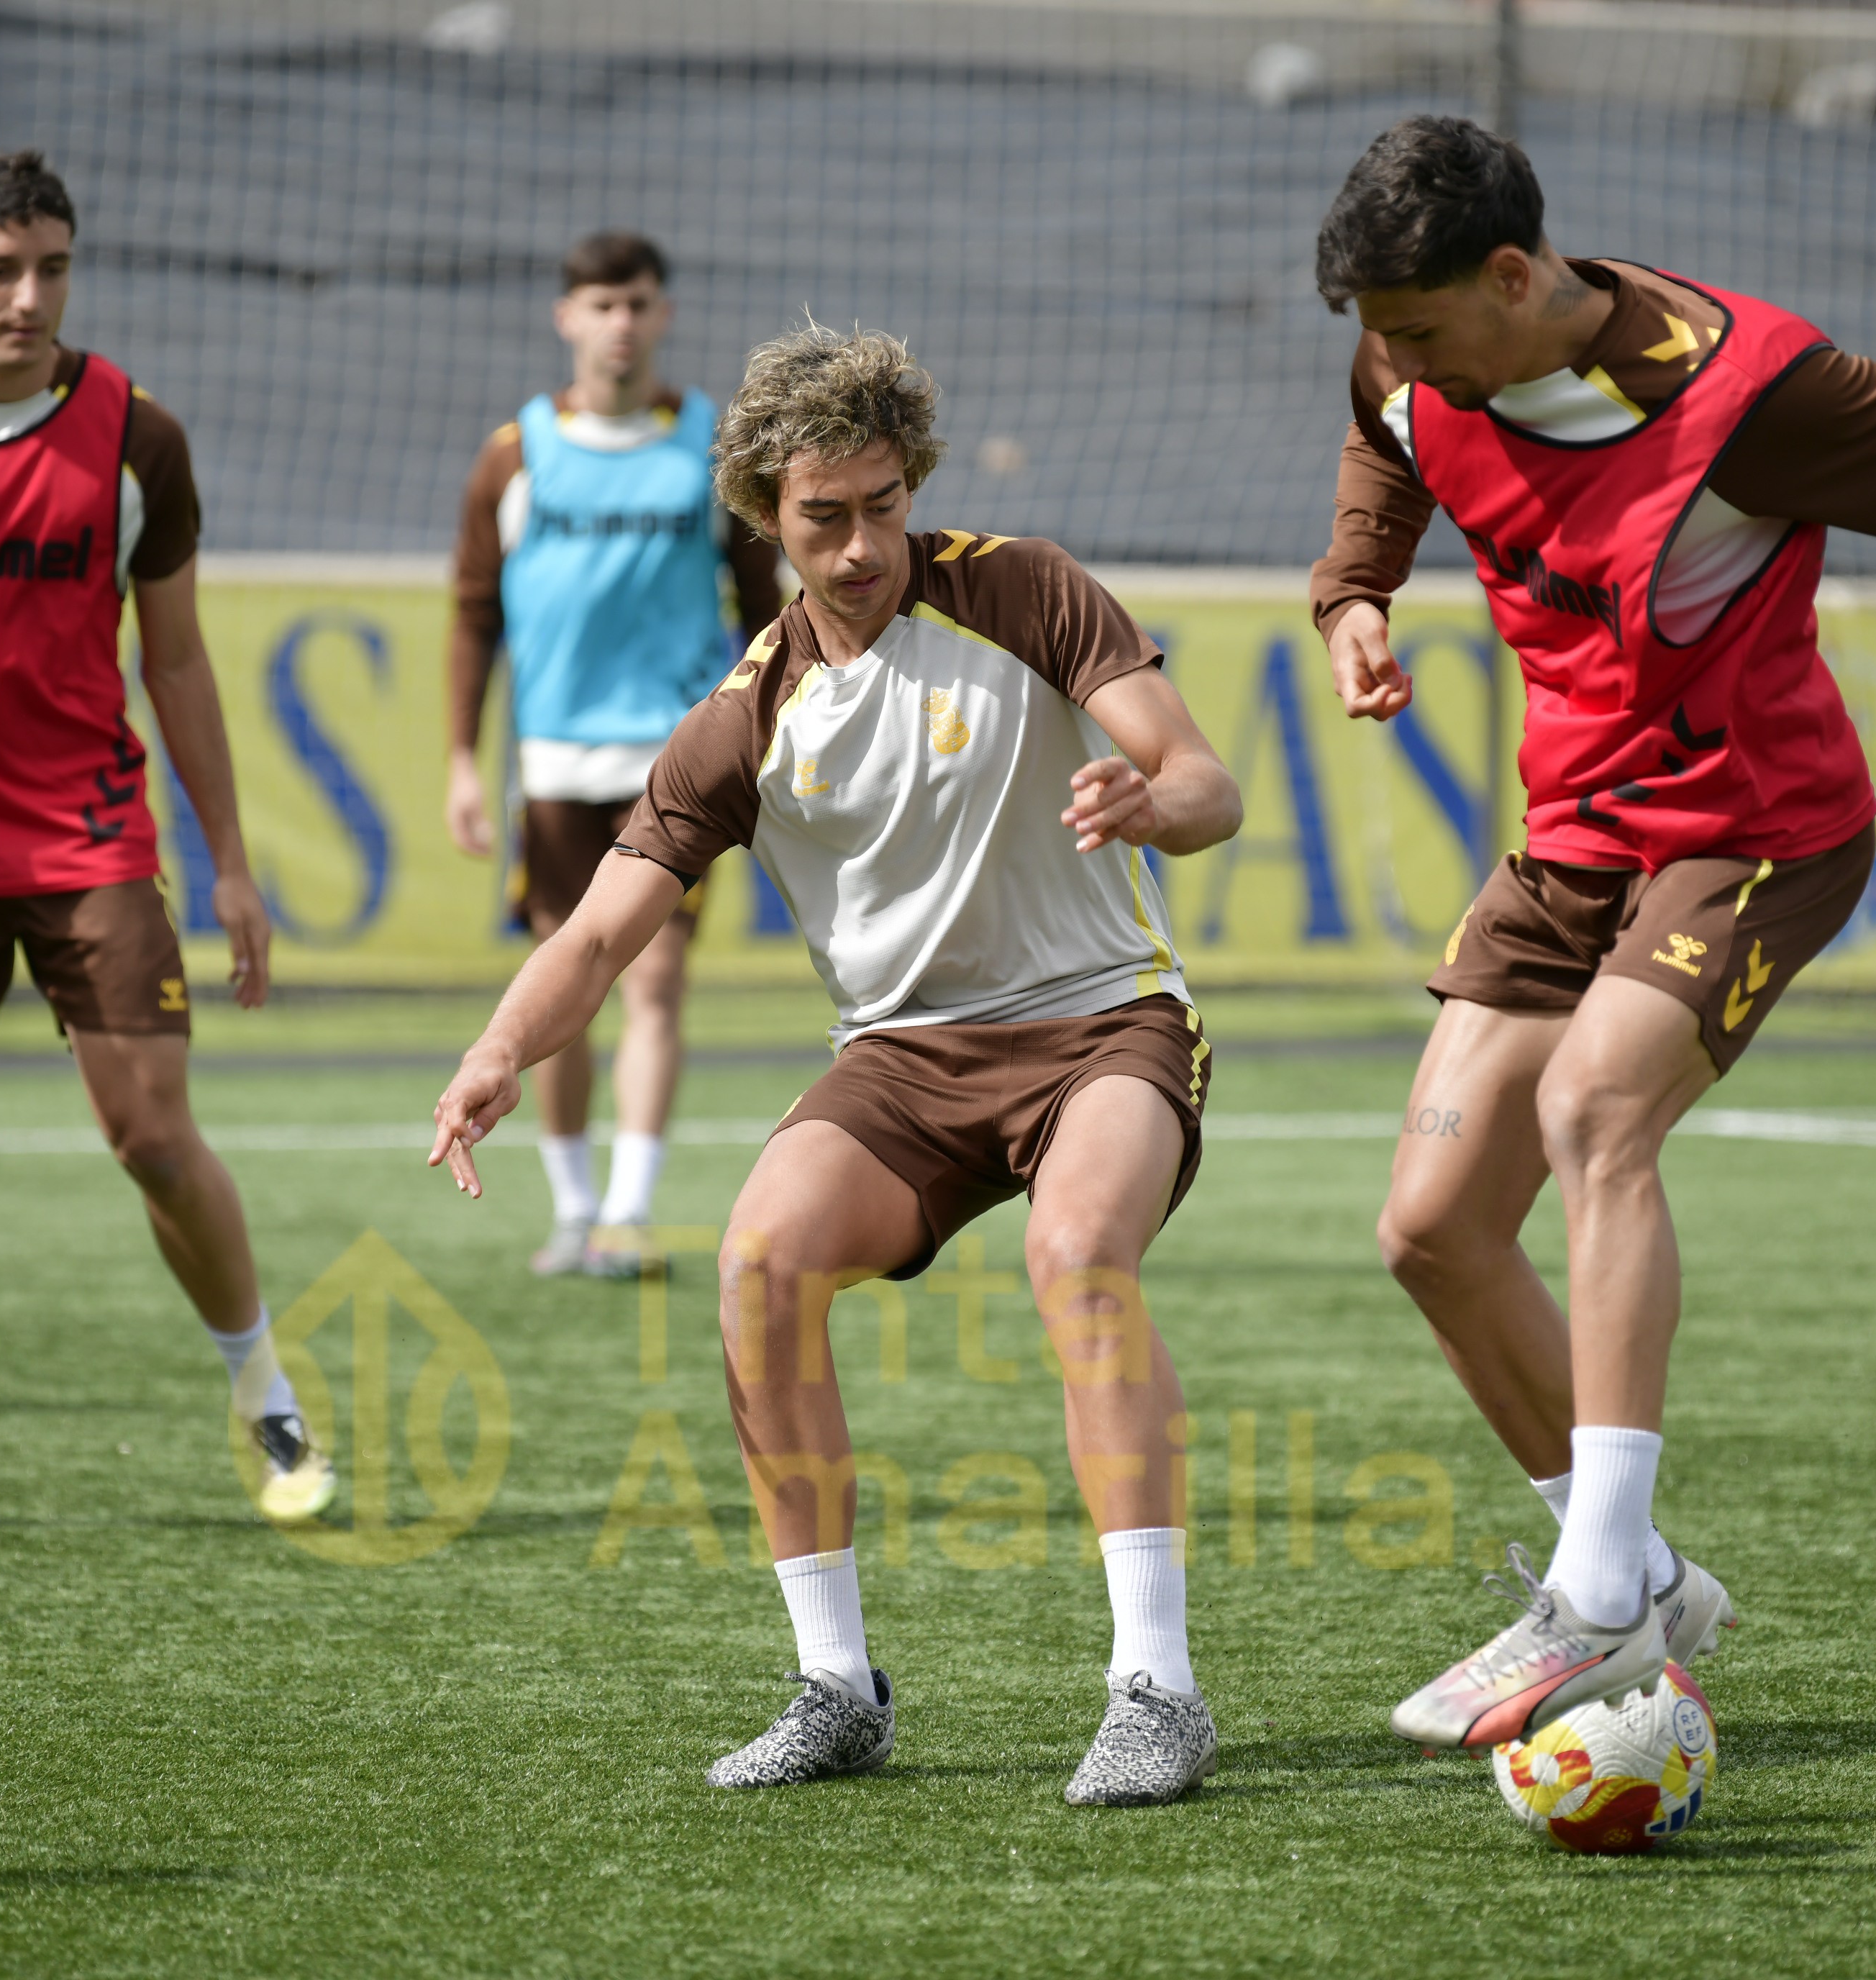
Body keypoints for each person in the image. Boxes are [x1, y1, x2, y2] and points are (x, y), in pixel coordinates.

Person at [1308, 118, 1876, 1748]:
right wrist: (1358, 589)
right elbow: (1384, 430)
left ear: (1515, 277)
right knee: (1430, 1226)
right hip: (1572, 836)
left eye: (1423, 326)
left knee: (1594, 1110)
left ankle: (1591, 1595)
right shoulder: (1410, 364)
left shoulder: (1755, 398)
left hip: (1754, 831)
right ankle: (1638, 1565)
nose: (1395, 360)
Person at [428, 324, 1245, 1804]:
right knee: (758, 1262)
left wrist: (1154, 798)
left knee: (1078, 1253)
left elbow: (1205, 782)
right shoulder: (744, 715)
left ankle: (1157, 1689)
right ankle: (837, 1684)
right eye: (824, 516)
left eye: (883, 503)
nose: (863, 543)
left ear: (913, 483)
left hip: (1103, 1017)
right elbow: (601, 935)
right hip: (898, 1061)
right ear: (763, 512)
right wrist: (496, 1050)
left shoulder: (1024, 587)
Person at [0, 151, 333, 1533]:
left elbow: (185, 668)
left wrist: (230, 865)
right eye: (0, 269)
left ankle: (271, 1410)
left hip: (91, 841)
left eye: (54, 268)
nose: (30, 296)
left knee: (153, 1136)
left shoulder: (134, 434)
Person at [445, 231, 786, 1279]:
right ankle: (574, 1207)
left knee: (658, 980)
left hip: (675, 758)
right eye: (601, 304)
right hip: (553, 760)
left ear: (663, 314)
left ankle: (630, 1212)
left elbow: (764, 604)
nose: (621, 324)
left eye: (637, 303)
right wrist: (462, 758)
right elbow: (473, 612)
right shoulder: (517, 452)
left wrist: (768, 731)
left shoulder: (712, 448)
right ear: (568, 318)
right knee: (563, 979)